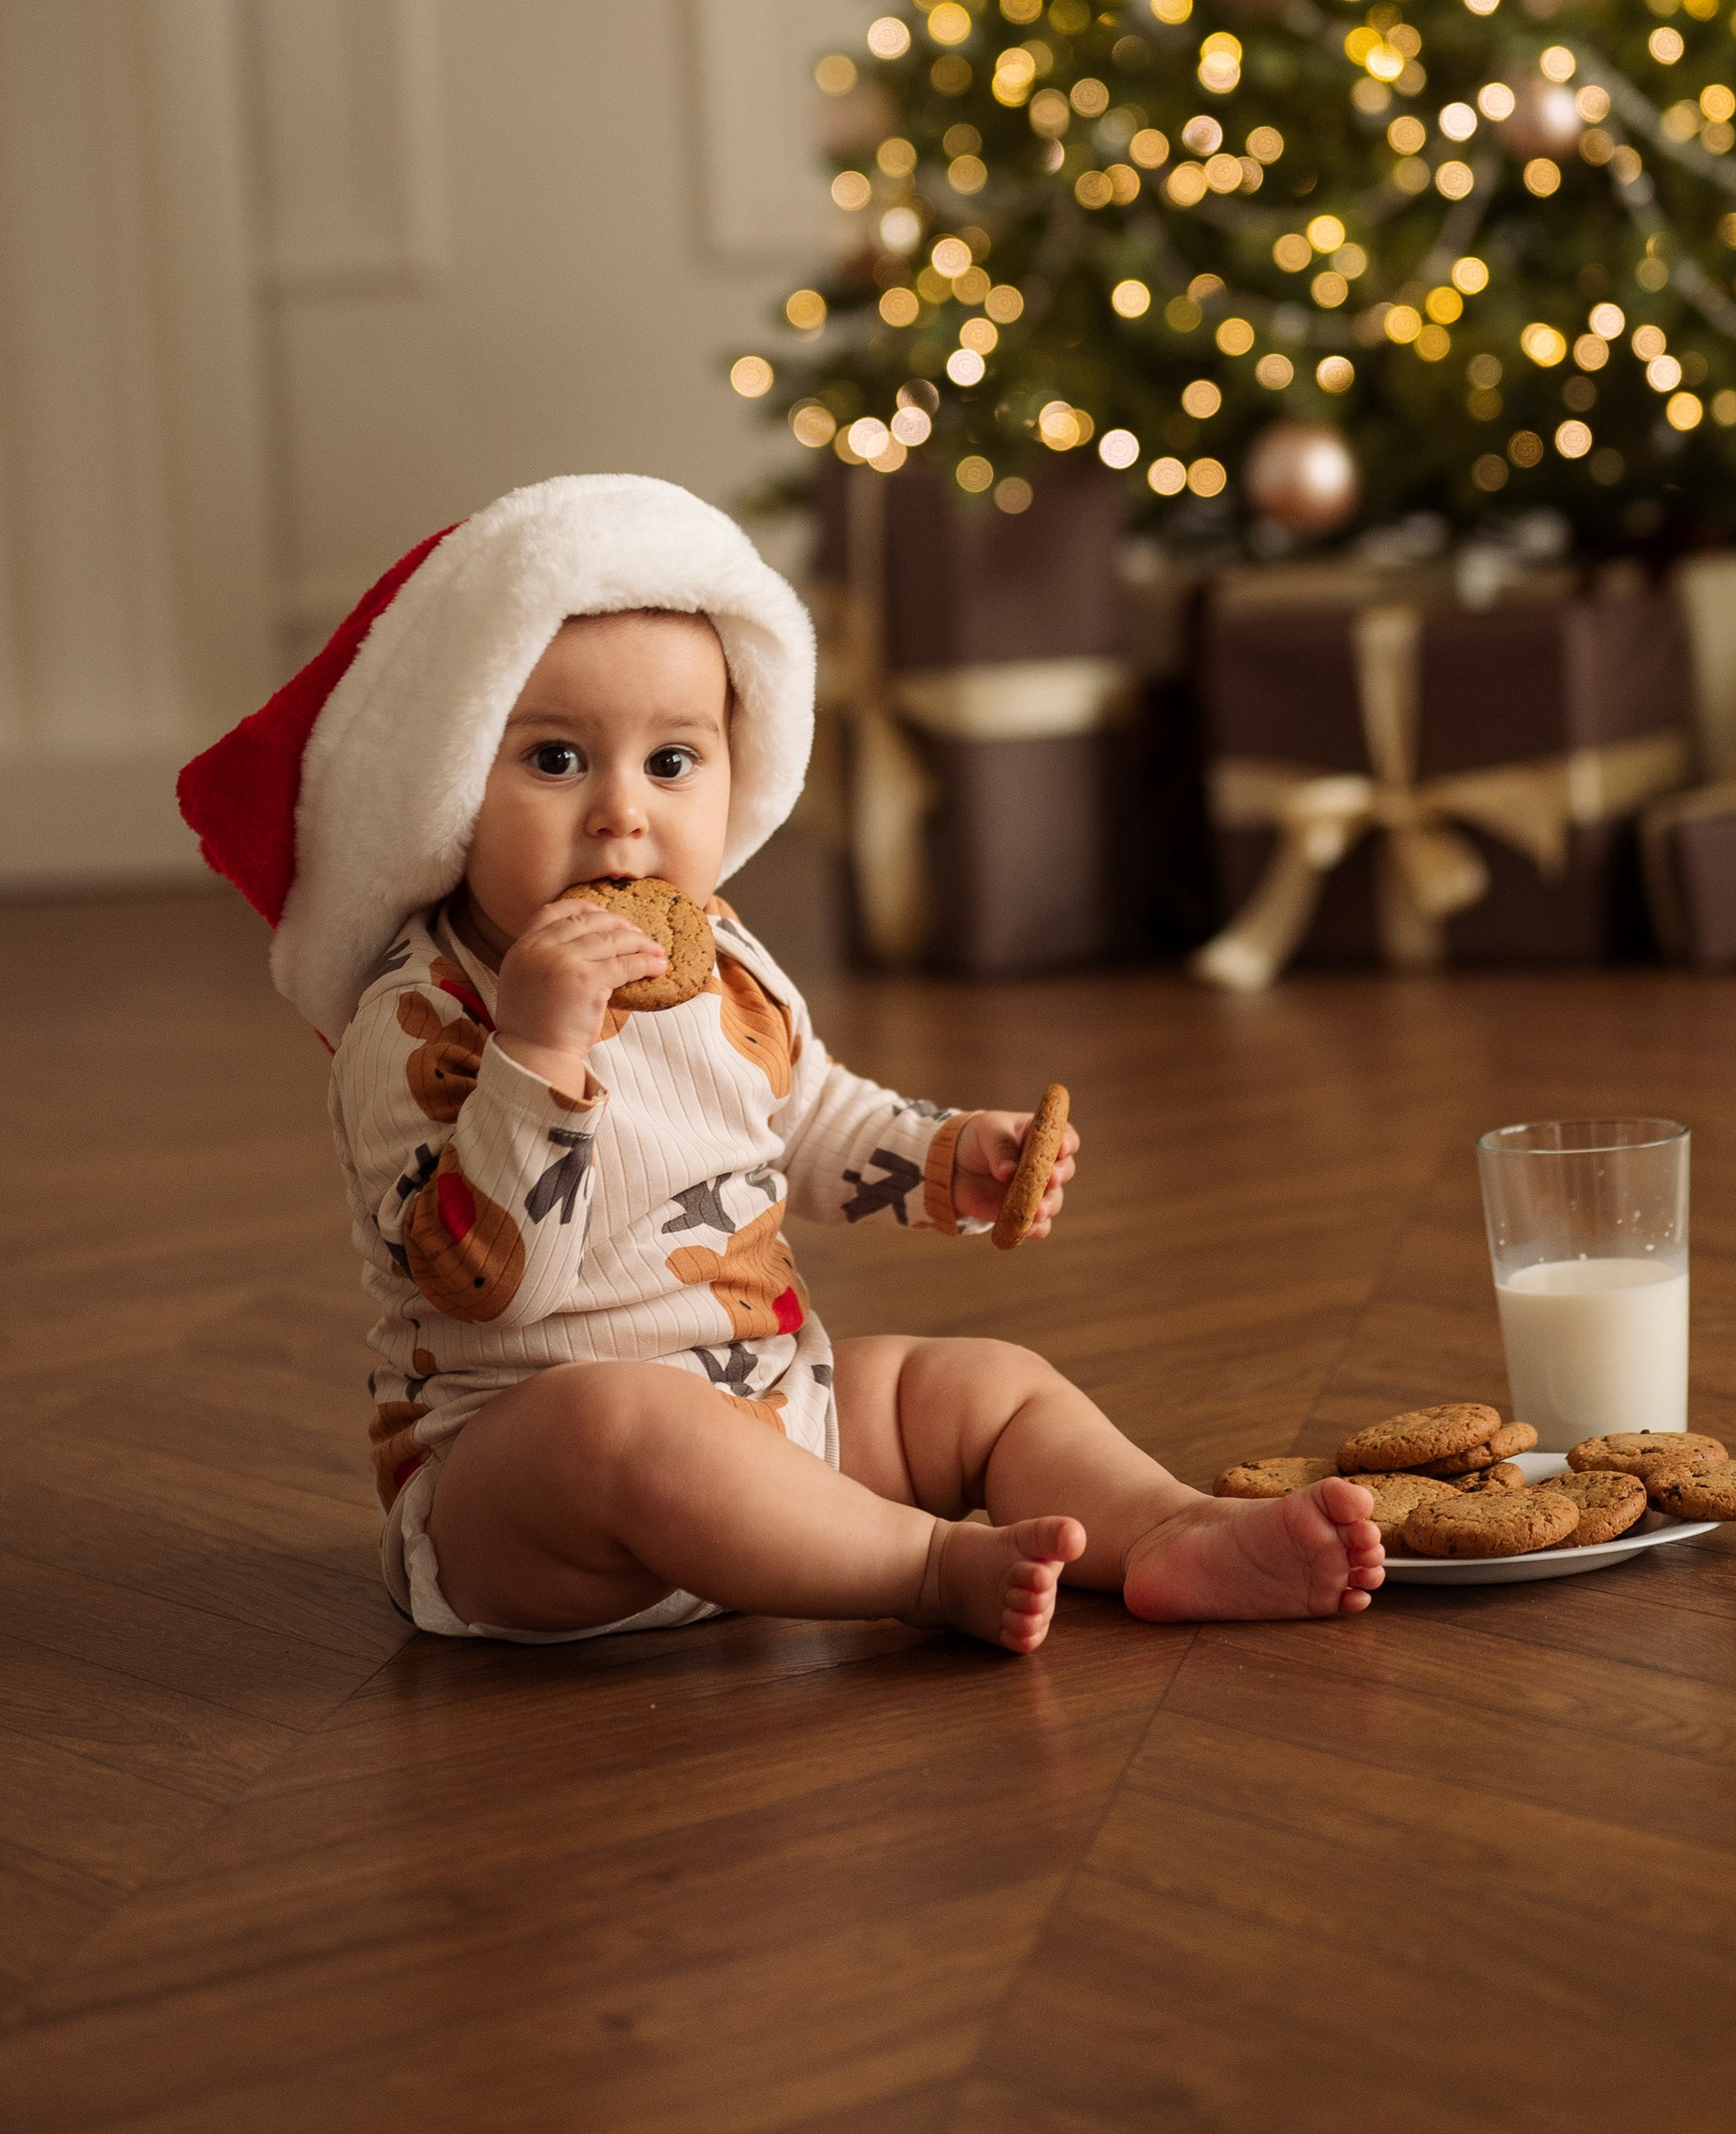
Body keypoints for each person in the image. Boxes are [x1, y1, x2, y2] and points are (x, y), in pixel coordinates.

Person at [178, 474, 1384, 1654]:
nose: (620, 815)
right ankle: (918, 1565)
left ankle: (1165, 1530)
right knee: (621, 1420)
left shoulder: (723, 957)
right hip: (524, 1497)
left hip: (774, 1415)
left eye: (672, 761)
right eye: (553, 761)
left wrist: (943, 1155)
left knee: (979, 1384)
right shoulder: (417, 1019)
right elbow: (501, 1285)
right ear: (447, 790)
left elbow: (801, 1114)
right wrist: (538, 1049)